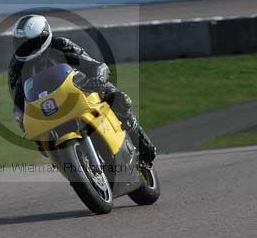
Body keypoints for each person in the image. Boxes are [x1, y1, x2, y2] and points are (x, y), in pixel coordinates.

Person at [8, 14, 157, 164]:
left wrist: (98, 78)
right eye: (22, 44)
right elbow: (18, 102)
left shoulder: (61, 45)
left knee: (119, 99)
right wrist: (24, 122)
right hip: (47, 105)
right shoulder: (16, 69)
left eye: (32, 43)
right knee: (42, 142)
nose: (28, 49)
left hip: (81, 86)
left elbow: (94, 65)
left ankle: (140, 140)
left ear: (44, 36)